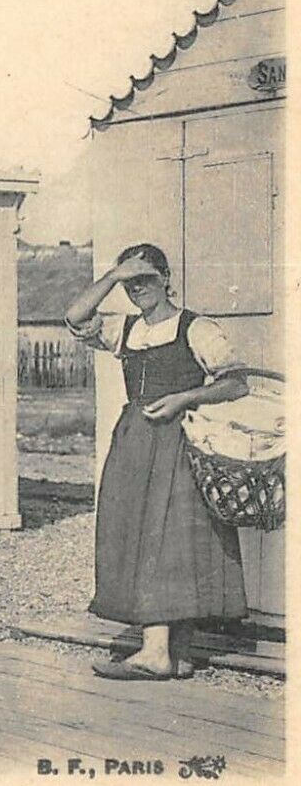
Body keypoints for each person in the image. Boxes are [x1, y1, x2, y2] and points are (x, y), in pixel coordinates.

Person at [65, 243, 250, 681]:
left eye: (145, 279)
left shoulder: (196, 327)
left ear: (166, 278)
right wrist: (114, 275)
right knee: (135, 530)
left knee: (172, 538)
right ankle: (172, 654)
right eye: (129, 284)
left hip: (181, 441)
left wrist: (185, 397)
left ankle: (159, 652)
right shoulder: (124, 329)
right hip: (135, 441)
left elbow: (236, 383)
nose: (137, 289)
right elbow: (75, 316)